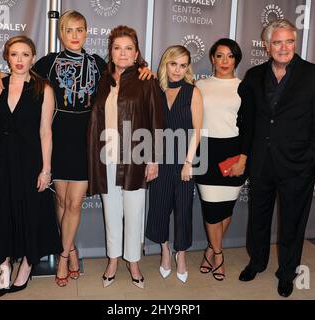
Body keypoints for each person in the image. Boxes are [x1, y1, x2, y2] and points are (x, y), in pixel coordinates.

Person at [0, 10, 153, 287]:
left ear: (87, 33)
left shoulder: (99, 63)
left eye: (79, 30)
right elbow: (20, 73)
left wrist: (144, 68)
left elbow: (124, 75)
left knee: (75, 203)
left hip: (87, 138)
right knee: (60, 201)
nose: (74, 36)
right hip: (55, 134)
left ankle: (63, 256)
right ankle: (72, 248)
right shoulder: (47, 63)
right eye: (68, 30)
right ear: (60, 34)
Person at [237, 19, 315, 297]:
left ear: (295, 43)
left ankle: (287, 272)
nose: (283, 47)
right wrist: (247, 155)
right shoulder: (254, 75)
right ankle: (257, 261)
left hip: (298, 163)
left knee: (293, 221)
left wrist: (313, 156)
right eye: (277, 42)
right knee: (258, 217)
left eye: (289, 41)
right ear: (267, 46)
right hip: (261, 161)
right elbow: (248, 121)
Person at [0, 35, 62, 296]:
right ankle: (3, 262)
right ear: (7, 57)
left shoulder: (43, 88)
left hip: (30, 160)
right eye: (14, 54)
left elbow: (46, 132)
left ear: (33, 58)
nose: (19, 60)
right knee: (1, 211)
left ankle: (27, 264)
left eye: (25, 54)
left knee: (30, 213)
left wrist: (46, 169)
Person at [87, 25, 163, 289]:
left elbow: (156, 121)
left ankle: (133, 262)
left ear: (136, 52)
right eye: (117, 48)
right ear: (110, 51)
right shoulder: (103, 81)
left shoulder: (147, 80)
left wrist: (153, 159)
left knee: (134, 211)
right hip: (105, 156)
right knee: (112, 211)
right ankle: (113, 259)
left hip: (135, 158)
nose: (122, 53)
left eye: (128, 48)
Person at [145, 45, 203, 283]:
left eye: (183, 65)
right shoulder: (155, 90)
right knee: (159, 208)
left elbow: (197, 131)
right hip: (159, 159)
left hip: (184, 160)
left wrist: (188, 163)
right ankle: (165, 249)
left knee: (183, 210)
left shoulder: (193, 92)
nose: (177, 70)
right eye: (173, 64)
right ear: (165, 64)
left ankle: (181, 254)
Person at [195, 39, 251, 281]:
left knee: (226, 209)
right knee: (211, 210)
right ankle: (219, 254)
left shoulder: (245, 87)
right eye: (220, 55)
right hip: (206, 150)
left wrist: (244, 158)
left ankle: (210, 249)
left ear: (236, 59)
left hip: (234, 152)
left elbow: (249, 127)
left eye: (230, 56)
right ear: (212, 59)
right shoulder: (199, 86)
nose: (225, 61)